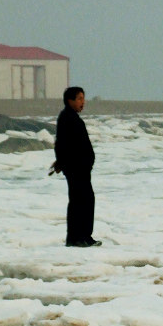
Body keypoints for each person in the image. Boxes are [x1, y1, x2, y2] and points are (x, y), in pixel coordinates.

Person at [49, 86, 100, 247]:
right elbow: (62, 144)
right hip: (76, 169)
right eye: (79, 99)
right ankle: (76, 238)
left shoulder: (72, 117)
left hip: (81, 168)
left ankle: (84, 236)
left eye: (83, 98)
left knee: (85, 200)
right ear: (69, 100)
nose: (82, 102)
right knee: (79, 202)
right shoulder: (67, 118)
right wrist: (62, 163)